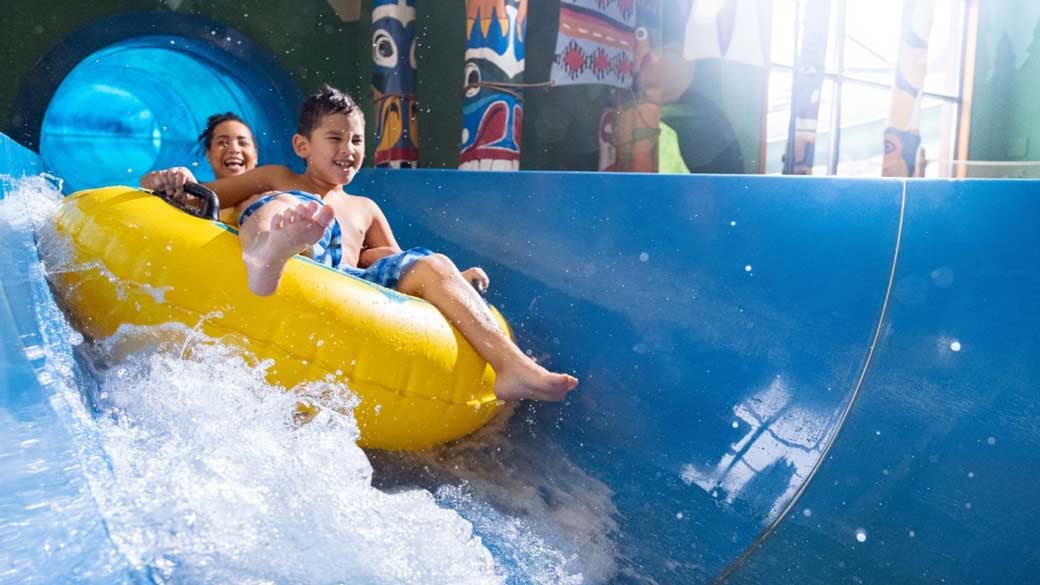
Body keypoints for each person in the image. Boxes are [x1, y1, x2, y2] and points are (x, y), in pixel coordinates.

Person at [140, 86, 578, 403]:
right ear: (302, 146)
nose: (348, 148)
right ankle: (267, 252)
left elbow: (391, 259)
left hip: (346, 279)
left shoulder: (365, 207)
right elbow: (204, 196)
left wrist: (450, 278)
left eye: (356, 140)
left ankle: (513, 366)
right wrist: (168, 179)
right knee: (288, 205)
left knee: (433, 261)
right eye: (335, 138)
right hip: (295, 255)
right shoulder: (279, 177)